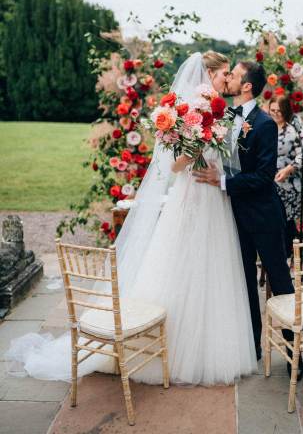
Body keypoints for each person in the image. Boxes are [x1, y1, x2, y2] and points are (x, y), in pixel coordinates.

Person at [6, 51, 258, 386]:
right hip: (191, 195)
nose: (228, 79)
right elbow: (173, 165)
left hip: (213, 197)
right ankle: (166, 345)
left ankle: (214, 344)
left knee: (213, 266)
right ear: (209, 74)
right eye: (225, 73)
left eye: (230, 74)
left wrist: (211, 155)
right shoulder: (192, 108)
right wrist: (196, 147)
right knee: (179, 264)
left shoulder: (216, 109)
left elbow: (223, 154)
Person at [194, 62, 303, 380]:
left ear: (247, 86)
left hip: (265, 218)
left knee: (281, 285)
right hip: (236, 219)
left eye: (235, 74)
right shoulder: (227, 118)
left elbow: (263, 177)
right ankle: (252, 348)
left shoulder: (265, 123)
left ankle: (295, 355)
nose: (228, 78)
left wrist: (223, 182)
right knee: (244, 286)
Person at [268, 95, 303, 258]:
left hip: (288, 185)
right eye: (272, 110)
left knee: (285, 224)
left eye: (279, 111)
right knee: (271, 225)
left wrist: (288, 169)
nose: (276, 114)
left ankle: (287, 260)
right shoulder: (265, 127)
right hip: (268, 184)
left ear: (285, 111)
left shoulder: (292, 131)